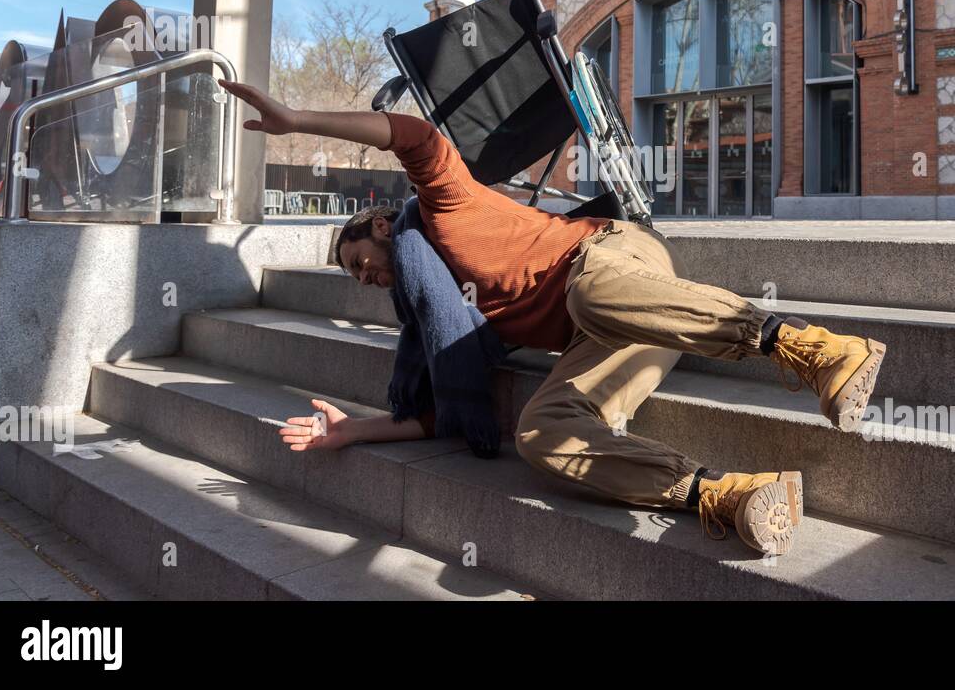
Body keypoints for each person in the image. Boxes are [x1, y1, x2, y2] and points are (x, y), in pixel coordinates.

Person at [220, 80, 886, 556]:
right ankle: (725, 493)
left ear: (379, 224)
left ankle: (810, 346)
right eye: (354, 277)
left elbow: (416, 137)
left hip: (612, 260)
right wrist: (350, 432)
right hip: (613, 338)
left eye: (358, 258)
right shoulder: (444, 321)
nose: (363, 276)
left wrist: (296, 118)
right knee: (540, 435)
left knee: (587, 294)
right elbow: (436, 416)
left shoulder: (446, 214)